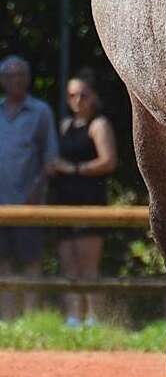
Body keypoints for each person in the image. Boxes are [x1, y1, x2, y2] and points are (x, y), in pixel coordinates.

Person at [50, 70, 118, 326]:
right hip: (65, 199)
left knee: (88, 264)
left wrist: (74, 169)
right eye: (72, 95)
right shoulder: (64, 126)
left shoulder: (99, 125)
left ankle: (93, 317)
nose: (78, 100)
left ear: (93, 97)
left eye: (83, 95)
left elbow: (108, 161)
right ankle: (72, 317)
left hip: (90, 199)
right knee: (69, 263)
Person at [0, 55, 59, 318]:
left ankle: (31, 318)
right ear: (3, 80)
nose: (17, 80)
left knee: (31, 262)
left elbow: (50, 159)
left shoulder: (41, 112)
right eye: (11, 75)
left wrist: (36, 192)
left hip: (29, 202)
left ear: (29, 78)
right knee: (3, 264)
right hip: (1, 206)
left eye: (21, 74)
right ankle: (8, 319)